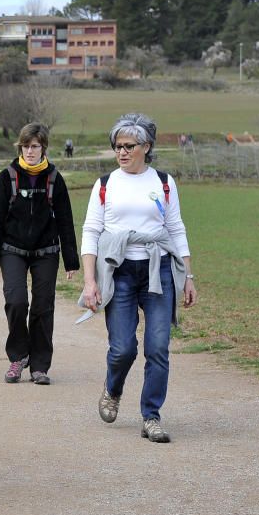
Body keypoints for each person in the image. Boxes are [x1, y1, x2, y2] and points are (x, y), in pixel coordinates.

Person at [78, 113, 197, 443]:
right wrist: (90, 282)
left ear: (146, 146)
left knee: (158, 348)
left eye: (129, 146)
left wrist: (188, 275)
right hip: (119, 274)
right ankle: (112, 388)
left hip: (158, 271)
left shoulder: (163, 182)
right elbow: (91, 232)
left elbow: (176, 229)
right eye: (117, 146)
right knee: (122, 349)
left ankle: (151, 416)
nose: (122, 152)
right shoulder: (105, 184)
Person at [0, 123, 79, 386]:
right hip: (12, 250)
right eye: (25, 146)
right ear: (20, 147)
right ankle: (18, 357)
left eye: (35, 146)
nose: (29, 151)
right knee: (16, 302)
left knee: (42, 306)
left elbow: (65, 220)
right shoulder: (8, 177)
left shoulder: (54, 179)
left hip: (46, 251)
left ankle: (39, 366)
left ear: (43, 148)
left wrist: (71, 260)